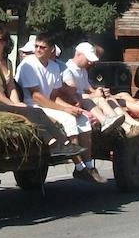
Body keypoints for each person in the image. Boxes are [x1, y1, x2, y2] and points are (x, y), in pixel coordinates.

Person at [0, 24, 82, 158]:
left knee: (36, 111)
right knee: (31, 112)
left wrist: (17, 102)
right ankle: (54, 144)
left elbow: (11, 87)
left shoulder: (7, 62)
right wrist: (13, 104)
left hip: (2, 103)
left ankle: (64, 143)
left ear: (5, 42)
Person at [16, 32, 106, 183]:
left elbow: (54, 95)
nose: (38, 50)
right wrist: (65, 109)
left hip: (47, 104)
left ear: (51, 49)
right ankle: (79, 167)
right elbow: (36, 97)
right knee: (70, 119)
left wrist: (72, 107)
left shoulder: (54, 67)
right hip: (33, 106)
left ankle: (89, 166)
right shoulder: (28, 65)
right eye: (36, 46)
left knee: (82, 118)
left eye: (42, 47)